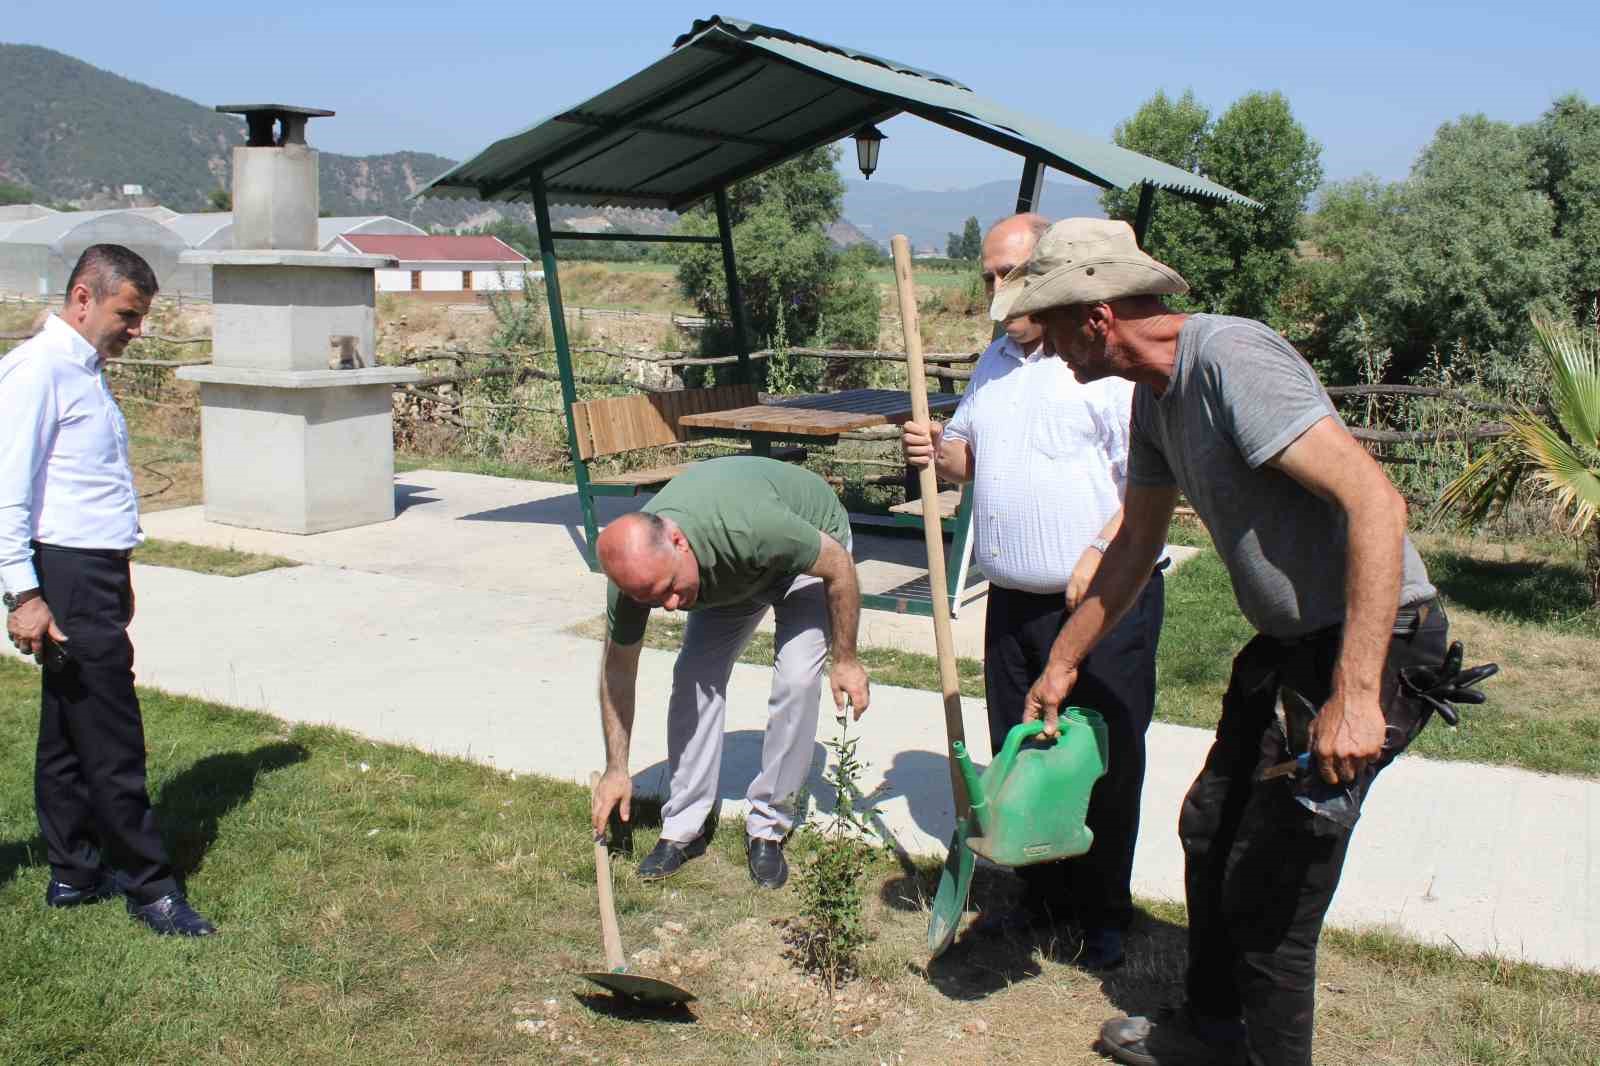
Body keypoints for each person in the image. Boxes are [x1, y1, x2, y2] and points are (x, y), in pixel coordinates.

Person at [996, 218, 1448, 1066]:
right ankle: (1210, 1032)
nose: (1044, 344)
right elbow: (1134, 545)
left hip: (1374, 643)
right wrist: (1062, 661)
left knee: (1272, 896)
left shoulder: (1232, 359)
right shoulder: (1150, 401)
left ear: (1095, 317)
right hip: (1288, 646)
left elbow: (1377, 504)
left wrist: (1356, 696)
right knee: (1210, 829)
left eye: (1049, 323)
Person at [901, 213, 1163, 969]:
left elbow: (1148, 485)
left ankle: (1105, 912)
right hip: (1011, 602)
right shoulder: (994, 364)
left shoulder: (1104, 363)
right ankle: (1042, 898)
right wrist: (938, 450)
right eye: (986, 276)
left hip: (1104, 603)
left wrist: (1098, 548)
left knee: (1101, 759)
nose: (996, 291)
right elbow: (965, 463)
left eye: (1009, 275)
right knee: (1019, 757)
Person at [1, 244, 216, 937]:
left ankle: (73, 869)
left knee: (67, 729)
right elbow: (7, 491)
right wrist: (22, 594)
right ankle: (149, 885)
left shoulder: (82, 370)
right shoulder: (39, 370)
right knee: (111, 731)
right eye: (128, 313)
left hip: (89, 567)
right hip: (67, 571)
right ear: (83, 297)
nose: (137, 329)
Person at [589, 456, 871, 889]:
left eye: (667, 590)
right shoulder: (635, 580)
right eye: (652, 599)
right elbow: (618, 670)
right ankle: (682, 825)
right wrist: (616, 768)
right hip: (734, 573)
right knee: (693, 676)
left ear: (679, 542)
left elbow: (838, 565)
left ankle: (768, 828)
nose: (668, 607)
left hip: (809, 551)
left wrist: (846, 658)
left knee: (797, 679)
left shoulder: (752, 527)